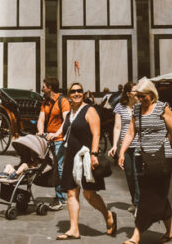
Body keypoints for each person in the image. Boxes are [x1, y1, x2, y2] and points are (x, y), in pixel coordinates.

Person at [117, 78, 172, 244]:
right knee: (157, 194)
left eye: (143, 96)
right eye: (138, 96)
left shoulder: (162, 108)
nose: (140, 100)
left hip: (163, 158)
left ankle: (136, 234)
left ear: (151, 94)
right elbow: (130, 133)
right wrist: (121, 152)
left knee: (147, 196)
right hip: (142, 157)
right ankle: (171, 232)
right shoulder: (136, 109)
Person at [51, 81, 116, 241]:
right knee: (71, 193)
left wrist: (94, 155)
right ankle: (74, 229)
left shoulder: (89, 110)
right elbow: (67, 137)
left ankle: (108, 215)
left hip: (86, 157)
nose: (77, 93)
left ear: (83, 93)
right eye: (73, 91)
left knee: (89, 194)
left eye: (79, 91)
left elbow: (96, 134)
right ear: (69, 95)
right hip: (71, 158)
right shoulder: (68, 115)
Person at [37, 76, 70, 211]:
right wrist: (40, 132)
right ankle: (60, 194)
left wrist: (56, 134)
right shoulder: (45, 101)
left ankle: (62, 198)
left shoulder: (63, 101)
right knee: (53, 166)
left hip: (59, 139)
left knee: (58, 167)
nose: (42, 88)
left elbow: (66, 120)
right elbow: (41, 119)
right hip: (48, 138)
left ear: (50, 87)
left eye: (44, 86)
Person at [108, 82, 139, 212]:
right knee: (129, 174)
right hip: (125, 147)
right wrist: (115, 145)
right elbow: (117, 127)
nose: (138, 93)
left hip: (139, 145)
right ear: (128, 93)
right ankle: (134, 200)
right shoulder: (120, 107)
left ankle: (138, 203)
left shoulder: (141, 106)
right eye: (135, 91)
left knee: (137, 175)